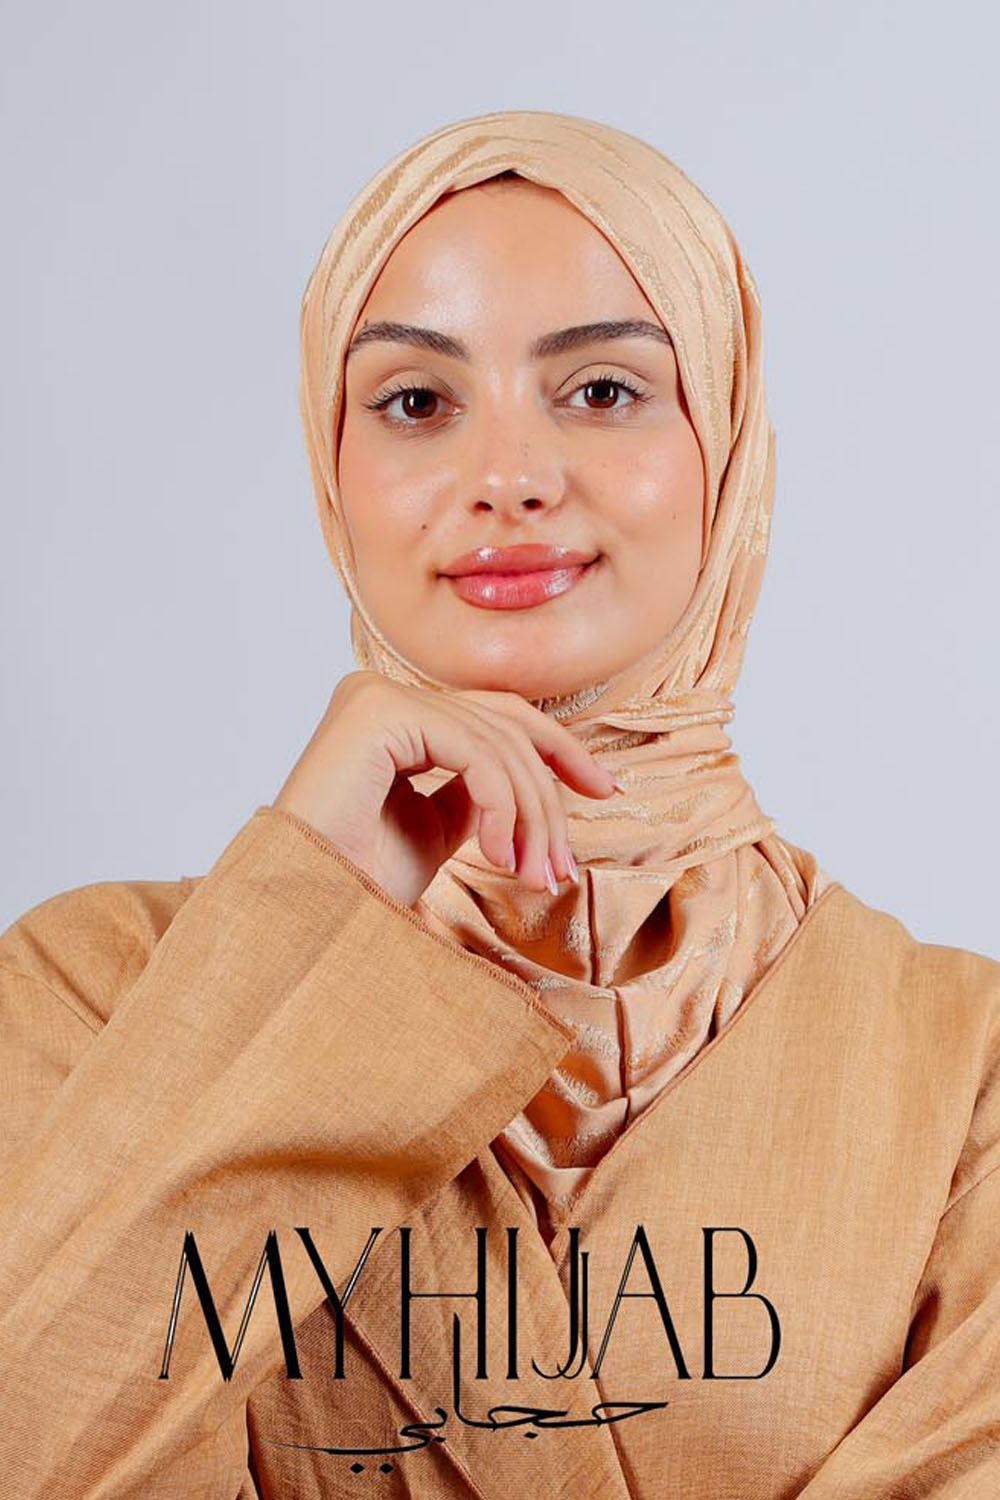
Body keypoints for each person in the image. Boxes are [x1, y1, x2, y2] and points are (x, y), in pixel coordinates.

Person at [0, 109, 997, 1500]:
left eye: (603, 390)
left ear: (727, 440)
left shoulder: (964, 1070)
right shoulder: (91, 993)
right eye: (417, 402)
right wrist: (300, 921)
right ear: (331, 470)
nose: (508, 479)